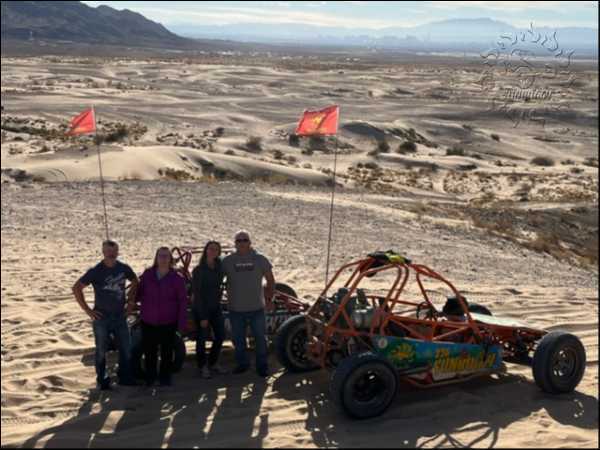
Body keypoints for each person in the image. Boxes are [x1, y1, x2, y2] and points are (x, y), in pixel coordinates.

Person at [72, 240, 138, 390]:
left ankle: (125, 378)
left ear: (118, 252)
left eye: (114, 251)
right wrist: (88, 311)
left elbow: (135, 281)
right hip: (102, 317)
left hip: (120, 316)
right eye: (108, 251)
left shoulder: (123, 268)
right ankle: (102, 380)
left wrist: (131, 301)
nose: (111, 254)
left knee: (126, 348)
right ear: (103, 252)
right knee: (101, 350)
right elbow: (76, 288)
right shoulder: (96, 271)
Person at [222, 230, 275, 377]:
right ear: (235, 244)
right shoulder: (228, 261)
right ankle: (242, 364)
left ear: (250, 242)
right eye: (238, 241)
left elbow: (270, 280)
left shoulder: (260, 259)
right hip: (235, 309)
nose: (242, 243)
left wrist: (270, 299)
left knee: (260, 339)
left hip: (257, 308)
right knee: (238, 340)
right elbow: (216, 278)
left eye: (245, 240)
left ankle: (262, 366)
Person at [136, 247, 188, 387]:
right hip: (148, 320)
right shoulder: (148, 274)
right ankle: (150, 378)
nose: (163, 259)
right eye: (161, 256)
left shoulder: (177, 278)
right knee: (150, 351)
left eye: (166, 256)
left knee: (167, 352)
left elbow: (183, 301)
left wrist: (181, 323)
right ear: (156, 258)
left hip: (168, 321)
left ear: (170, 259)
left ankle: (165, 378)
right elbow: (138, 293)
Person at [191, 240, 228, 379]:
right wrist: (203, 316)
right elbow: (197, 294)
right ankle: (202, 366)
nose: (213, 251)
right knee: (201, 338)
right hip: (202, 308)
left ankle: (213, 363)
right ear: (206, 250)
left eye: (216, 249)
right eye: (211, 248)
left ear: (219, 252)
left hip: (216, 307)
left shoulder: (219, 268)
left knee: (221, 335)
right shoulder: (199, 270)